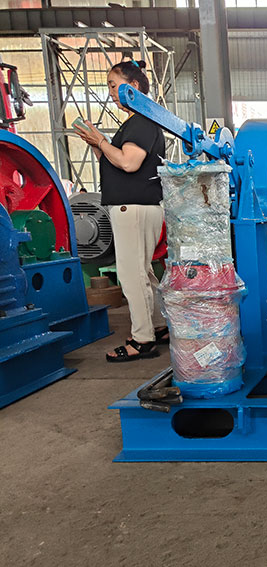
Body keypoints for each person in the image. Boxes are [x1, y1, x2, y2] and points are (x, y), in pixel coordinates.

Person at [74, 60, 168, 362]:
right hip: (139, 208)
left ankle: (142, 340)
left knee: (131, 276)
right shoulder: (138, 123)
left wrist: (101, 141)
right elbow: (116, 160)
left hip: (134, 209)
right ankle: (157, 326)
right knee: (143, 274)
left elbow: (129, 163)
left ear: (134, 86)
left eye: (114, 85)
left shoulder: (141, 123)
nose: (111, 92)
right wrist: (97, 143)